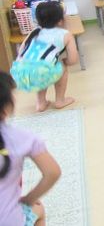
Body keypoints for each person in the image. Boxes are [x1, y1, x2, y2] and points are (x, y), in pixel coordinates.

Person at [0, 71, 61, 226]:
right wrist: (29, 199)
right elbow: (52, 172)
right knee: (37, 209)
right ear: (6, 108)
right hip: (9, 221)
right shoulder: (21, 138)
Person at [10, 1, 78, 112]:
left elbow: (21, 50)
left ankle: (41, 103)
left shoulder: (34, 31)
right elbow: (73, 60)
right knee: (61, 66)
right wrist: (64, 62)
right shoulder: (65, 34)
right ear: (60, 20)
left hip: (20, 73)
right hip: (40, 72)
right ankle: (60, 100)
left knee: (42, 65)